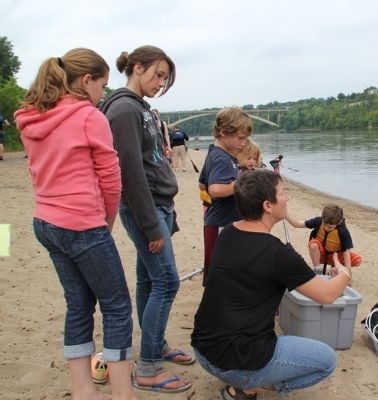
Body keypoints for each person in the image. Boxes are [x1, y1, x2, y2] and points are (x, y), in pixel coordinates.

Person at [14, 48, 136, 400]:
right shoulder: (88, 117)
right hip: (82, 224)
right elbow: (111, 180)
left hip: (46, 222)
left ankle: (83, 390)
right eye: (102, 85)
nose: (103, 93)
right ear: (86, 82)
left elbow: (35, 170)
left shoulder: (30, 118)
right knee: (116, 306)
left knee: (78, 304)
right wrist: (107, 220)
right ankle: (122, 393)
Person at [191, 169, 353, 400]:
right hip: (237, 360)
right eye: (282, 193)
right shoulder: (278, 254)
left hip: (204, 351)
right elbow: (328, 295)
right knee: (327, 360)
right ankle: (248, 387)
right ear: (268, 205)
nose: (287, 198)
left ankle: (243, 381)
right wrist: (344, 273)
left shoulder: (228, 232)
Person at [101, 45, 193, 393]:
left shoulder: (140, 109)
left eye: (165, 79)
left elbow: (150, 161)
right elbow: (130, 172)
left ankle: (156, 346)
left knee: (149, 281)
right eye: (157, 75)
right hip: (146, 209)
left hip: (158, 206)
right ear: (137, 68)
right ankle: (149, 367)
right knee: (167, 282)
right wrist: (152, 224)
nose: (160, 83)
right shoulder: (124, 109)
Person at [199, 107, 252, 286]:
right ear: (223, 132)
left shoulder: (216, 154)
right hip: (221, 225)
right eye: (240, 138)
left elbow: (202, 183)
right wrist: (243, 182)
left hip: (217, 223)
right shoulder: (222, 158)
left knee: (220, 272)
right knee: (220, 275)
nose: (244, 143)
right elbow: (215, 189)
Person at [286, 204, 362, 275]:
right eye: (324, 224)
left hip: (335, 256)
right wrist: (285, 215)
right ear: (322, 218)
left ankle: (335, 267)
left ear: (338, 222)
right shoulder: (318, 221)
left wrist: (347, 273)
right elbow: (297, 224)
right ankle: (317, 270)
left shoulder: (343, 231)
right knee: (313, 245)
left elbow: (346, 253)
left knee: (357, 260)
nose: (326, 228)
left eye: (330, 227)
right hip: (321, 254)